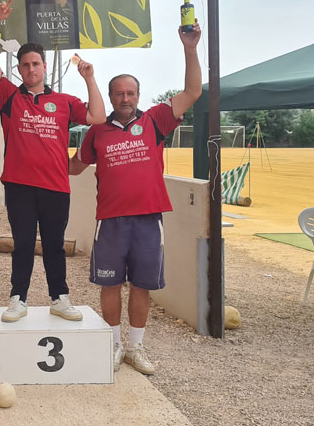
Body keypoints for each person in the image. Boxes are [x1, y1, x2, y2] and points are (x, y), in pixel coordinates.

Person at [69, 21, 202, 374]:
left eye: (130, 93)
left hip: (148, 218)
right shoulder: (96, 130)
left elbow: (192, 92)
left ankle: (136, 348)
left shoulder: (157, 119)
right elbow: (73, 167)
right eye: (118, 94)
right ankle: (114, 346)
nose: (125, 99)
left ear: (139, 96)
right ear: (110, 98)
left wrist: (189, 48)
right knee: (110, 283)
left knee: (142, 285)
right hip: (110, 220)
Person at [0, 0, 106, 322]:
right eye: (25, 65)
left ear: (44, 67)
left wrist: (89, 78)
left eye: (36, 64)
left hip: (55, 187)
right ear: (19, 70)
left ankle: (59, 297)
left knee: (53, 246)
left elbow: (97, 115)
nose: (31, 69)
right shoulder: (9, 97)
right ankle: (17, 299)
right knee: (22, 244)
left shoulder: (64, 101)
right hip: (20, 187)